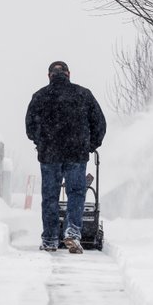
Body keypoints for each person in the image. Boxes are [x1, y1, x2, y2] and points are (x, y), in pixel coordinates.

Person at [25, 61, 107, 254]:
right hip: (76, 154)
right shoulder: (83, 95)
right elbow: (100, 124)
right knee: (76, 194)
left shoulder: (40, 96)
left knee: (50, 197)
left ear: (49, 76)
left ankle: (50, 239)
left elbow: (30, 127)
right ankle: (72, 232)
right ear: (69, 74)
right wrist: (90, 145)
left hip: (49, 155)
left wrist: (41, 141)